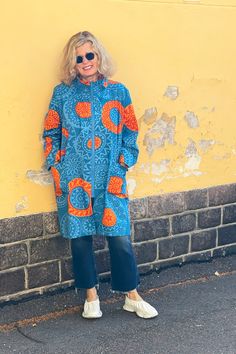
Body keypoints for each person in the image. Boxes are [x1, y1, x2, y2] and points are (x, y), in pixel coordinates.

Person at [42, 31, 158, 319]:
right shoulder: (63, 93)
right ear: (72, 62)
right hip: (74, 177)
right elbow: (50, 131)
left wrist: (125, 160)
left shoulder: (118, 91)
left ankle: (131, 294)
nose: (85, 62)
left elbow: (131, 129)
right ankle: (90, 295)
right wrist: (55, 162)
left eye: (89, 55)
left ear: (99, 56)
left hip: (110, 175)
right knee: (79, 238)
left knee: (119, 236)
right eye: (78, 57)